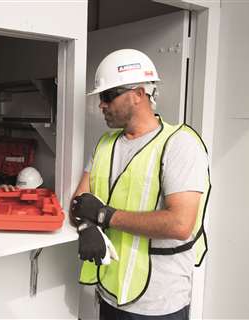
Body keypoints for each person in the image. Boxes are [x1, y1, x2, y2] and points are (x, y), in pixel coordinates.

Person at [70, 49, 211, 319]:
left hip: (158, 303)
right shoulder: (105, 144)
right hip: (110, 291)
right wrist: (87, 223)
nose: (101, 104)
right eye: (101, 97)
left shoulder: (179, 144)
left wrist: (103, 216)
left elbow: (180, 224)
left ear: (138, 94)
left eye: (108, 96)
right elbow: (81, 200)